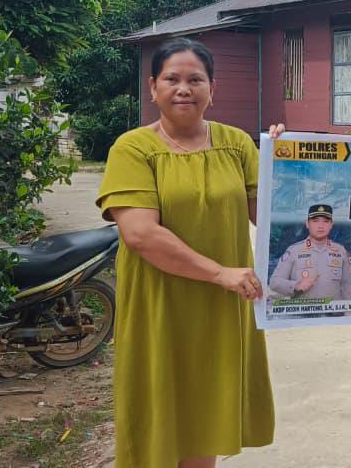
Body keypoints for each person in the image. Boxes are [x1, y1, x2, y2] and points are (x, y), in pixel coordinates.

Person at [96, 37, 285, 468]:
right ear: (153, 87)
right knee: (157, 416)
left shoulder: (236, 144)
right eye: (172, 79)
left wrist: (286, 159)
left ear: (212, 89)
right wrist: (220, 273)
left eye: (195, 79)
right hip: (161, 303)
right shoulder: (133, 148)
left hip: (222, 306)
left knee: (207, 414)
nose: (184, 88)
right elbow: (140, 234)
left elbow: (276, 216)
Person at [268, 204, 351, 300]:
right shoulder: (294, 251)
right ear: (307, 224)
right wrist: (295, 286)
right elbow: (274, 282)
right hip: (301, 313)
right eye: (315, 221)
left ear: (331, 224)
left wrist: (350, 310)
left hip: (334, 313)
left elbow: (348, 286)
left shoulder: (340, 251)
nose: (320, 226)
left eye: (326, 221)